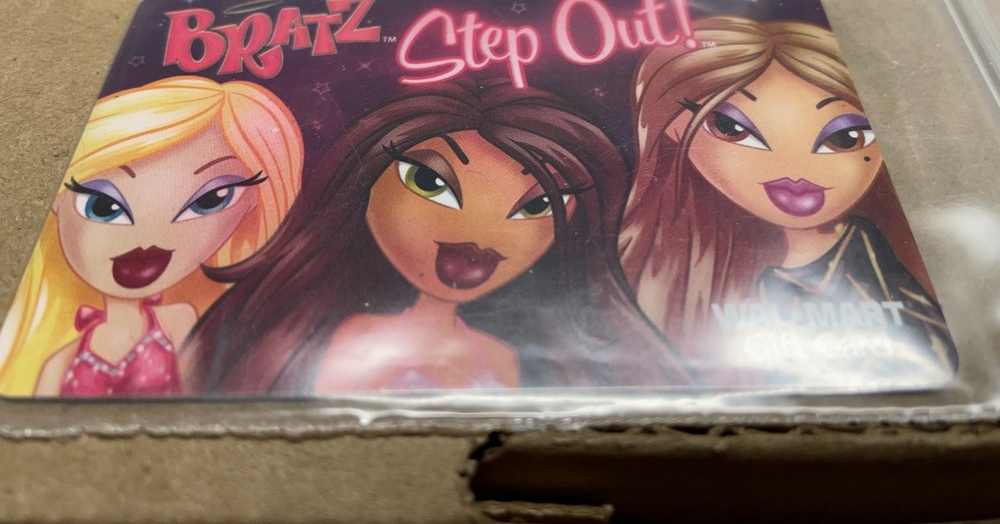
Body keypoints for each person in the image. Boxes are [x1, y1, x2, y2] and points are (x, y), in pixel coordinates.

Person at [185, 77, 695, 394]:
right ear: (362, 180)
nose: (478, 236)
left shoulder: (515, 357)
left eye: (539, 205)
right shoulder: (319, 341)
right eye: (429, 182)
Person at [619, 16, 956, 386]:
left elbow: (931, 359)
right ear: (673, 127)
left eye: (845, 138)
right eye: (732, 129)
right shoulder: (652, 267)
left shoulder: (885, 255)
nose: (795, 171)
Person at [0, 76, 304, 397]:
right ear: (58, 202)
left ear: (251, 207)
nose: (147, 241)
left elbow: (197, 394)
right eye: (103, 206)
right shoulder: (58, 359)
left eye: (209, 200)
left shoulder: (179, 319)